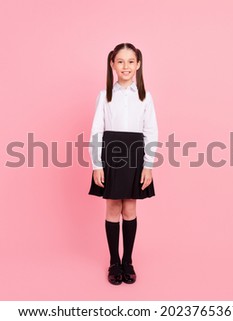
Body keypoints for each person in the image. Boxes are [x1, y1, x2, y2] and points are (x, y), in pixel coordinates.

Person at [88, 43, 159, 285]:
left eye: (130, 61)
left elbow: (150, 130)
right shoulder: (105, 95)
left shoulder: (145, 96)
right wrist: (97, 164)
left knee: (129, 208)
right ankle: (113, 261)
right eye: (120, 61)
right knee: (112, 209)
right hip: (111, 153)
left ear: (138, 64)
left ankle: (128, 261)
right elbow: (97, 130)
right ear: (112, 64)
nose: (125, 66)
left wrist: (148, 164)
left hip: (135, 154)